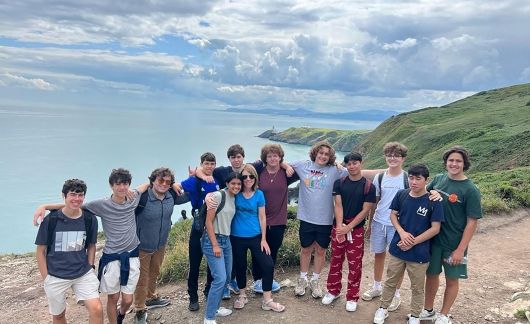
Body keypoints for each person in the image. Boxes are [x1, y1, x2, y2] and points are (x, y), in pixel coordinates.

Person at [34, 168, 154, 324]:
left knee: (122, 301)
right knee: (106, 300)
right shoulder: (99, 205)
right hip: (107, 259)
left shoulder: (132, 197)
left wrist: (171, 184)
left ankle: (121, 313)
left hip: (126, 257)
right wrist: (44, 206)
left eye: (125, 184)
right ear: (111, 185)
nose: (122, 187)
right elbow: (73, 206)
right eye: (118, 184)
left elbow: (147, 185)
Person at [373, 163, 444, 324]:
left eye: (418, 178)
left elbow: (435, 228)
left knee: (417, 287)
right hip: (398, 248)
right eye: (411, 178)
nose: (414, 182)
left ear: (426, 180)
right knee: (391, 280)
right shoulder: (402, 194)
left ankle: (415, 315)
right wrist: (402, 233)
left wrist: (413, 242)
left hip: (419, 252)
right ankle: (383, 308)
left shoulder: (433, 201)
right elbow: (393, 215)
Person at [420, 147, 482, 324]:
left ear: (464, 164)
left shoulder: (470, 189)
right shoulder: (439, 179)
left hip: (454, 244)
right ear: (446, 162)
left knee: (452, 279)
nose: (454, 164)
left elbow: (472, 222)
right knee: (431, 275)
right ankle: (428, 310)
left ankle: (444, 315)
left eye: (458, 161)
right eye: (451, 160)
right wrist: (432, 192)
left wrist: (460, 250)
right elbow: (425, 193)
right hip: (434, 240)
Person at [35, 179, 103, 324]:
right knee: (59, 316)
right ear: (64, 196)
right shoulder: (51, 219)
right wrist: (46, 278)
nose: (76, 199)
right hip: (55, 275)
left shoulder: (89, 219)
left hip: (82, 272)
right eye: (73, 194)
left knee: (97, 309)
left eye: (80, 195)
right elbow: (40, 251)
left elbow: (91, 245)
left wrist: (90, 266)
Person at [289, 141, 348, 298]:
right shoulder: (303, 165)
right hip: (306, 217)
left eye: (326, 154)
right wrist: (286, 166)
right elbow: (283, 163)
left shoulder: (334, 170)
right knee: (306, 249)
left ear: (330, 157)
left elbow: (353, 174)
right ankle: (302, 279)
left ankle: (315, 280)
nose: (323, 156)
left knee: (321, 250)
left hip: (326, 219)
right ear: (315, 153)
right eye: (320, 153)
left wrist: (340, 166)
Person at [133, 167, 189, 324]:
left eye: (168, 182)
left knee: (155, 271)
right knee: (142, 278)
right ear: (152, 181)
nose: (164, 184)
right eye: (160, 180)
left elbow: (190, 195)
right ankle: (139, 309)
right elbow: (123, 203)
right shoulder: (142, 197)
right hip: (141, 245)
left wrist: (190, 181)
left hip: (160, 243)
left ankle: (150, 297)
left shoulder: (171, 195)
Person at [322, 152, 376, 312]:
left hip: (356, 229)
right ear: (346, 165)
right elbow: (337, 205)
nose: (352, 166)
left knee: (355, 264)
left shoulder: (369, 186)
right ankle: (333, 290)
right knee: (335, 260)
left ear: (361, 164)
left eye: (355, 163)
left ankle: (352, 297)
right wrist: (340, 228)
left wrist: (349, 227)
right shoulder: (339, 183)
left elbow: (366, 210)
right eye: (349, 164)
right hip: (338, 226)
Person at [230, 164, 286, 312]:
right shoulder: (235, 193)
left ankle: (267, 300)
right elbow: (222, 194)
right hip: (237, 237)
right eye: (244, 176)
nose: (248, 179)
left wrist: (263, 239)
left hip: (256, 237)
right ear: (240, 179)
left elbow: (262, 218)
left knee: (267, 265)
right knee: (240, 266)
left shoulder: (259, 194)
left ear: (255, 178)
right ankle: (242, 295)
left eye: (251, 176)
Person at [363, 142, 409, 311]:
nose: (392, 158)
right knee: (379, 255)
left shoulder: (406, 178)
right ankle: (377, 287)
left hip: (397, 225)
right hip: (378, 222)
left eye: (396, 155)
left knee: (397, 260)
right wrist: (369, 223)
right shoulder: (379, 177)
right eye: (389, 155)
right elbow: (375, 202)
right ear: (385, 157)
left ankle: (396, 294)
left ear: (403, 158)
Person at [250, 144, 299, 294]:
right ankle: (257, 280)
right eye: (269, 156)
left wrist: (285, 165)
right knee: (258, 251)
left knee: (273, 250)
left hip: (278, 220)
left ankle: (268, 279)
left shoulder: (287, 173)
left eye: (276, 156)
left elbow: (308, 167)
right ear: (265, 158)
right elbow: (243, 170)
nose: (272, 158)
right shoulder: (258, 172)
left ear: (280, 157)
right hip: (259, 219)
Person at [180, 152, 220, 312]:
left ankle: (208, 291)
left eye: (212, 163)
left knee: (212, 263)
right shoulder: (194, 180)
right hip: (198, 228)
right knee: (195, 264)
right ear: (202, 164)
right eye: (207, 163)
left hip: (215, 227)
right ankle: (193, 297)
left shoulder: (217, 180)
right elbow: (178, 186)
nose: (209, 166)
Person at [202, 172, 243, 324]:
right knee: (219, 279)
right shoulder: (219, 196)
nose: (236, 186)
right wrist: (214, 245)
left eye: (239, 184)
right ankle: (209, 318)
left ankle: (216, 309)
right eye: (233, 183)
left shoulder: (234, 198)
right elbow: (208, 222)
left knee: (225, 277)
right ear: (227, 183)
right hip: (213, 239)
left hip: (226, 240)